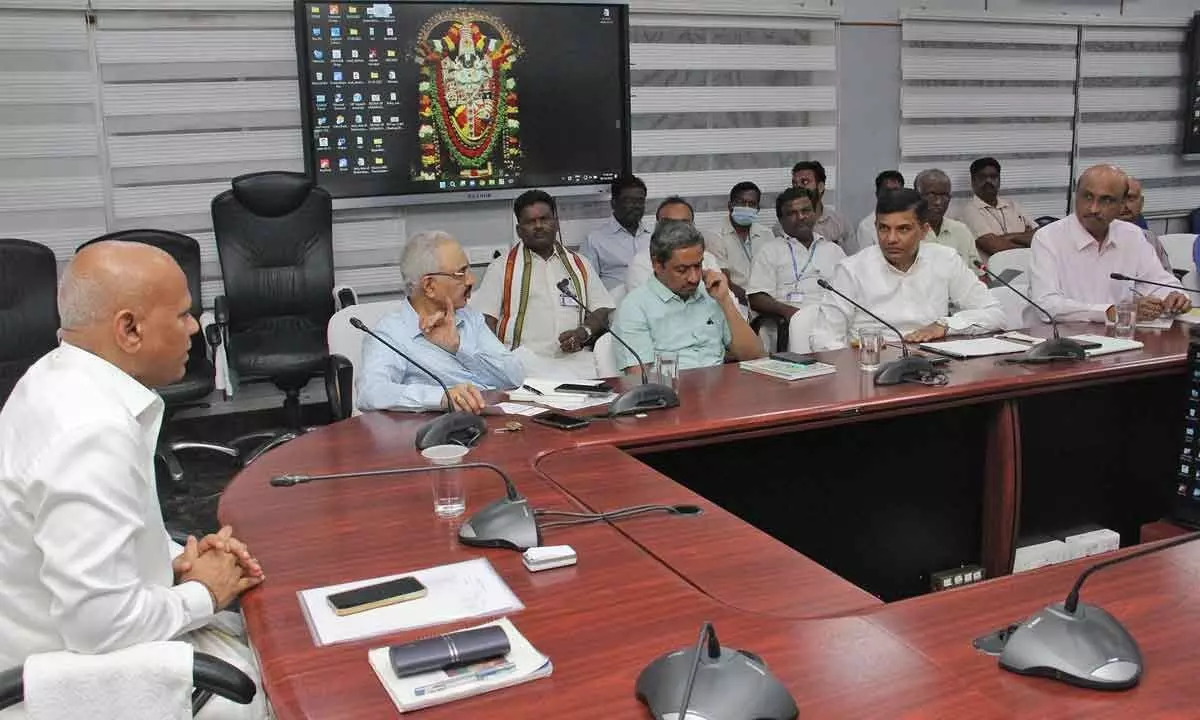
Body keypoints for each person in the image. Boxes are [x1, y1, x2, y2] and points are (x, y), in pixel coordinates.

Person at [0, 240, 269, 719]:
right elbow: (97, 626)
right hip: (69, 682)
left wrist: (178, 562)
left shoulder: (54, 375)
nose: (195, 329)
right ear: (129, 328)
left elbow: (103, 544)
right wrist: (206, 591)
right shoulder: (90, 432)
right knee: (284, 679)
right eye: (184, 315)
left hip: (58, 641)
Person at [811, 189, 1005, 350]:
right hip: (873, 363)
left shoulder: (945, 259)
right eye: (883, 228)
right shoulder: (851, 270)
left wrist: (945, 326)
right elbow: (823, 339)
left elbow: (994, 314)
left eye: (903, 229)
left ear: (924, 231)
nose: (891, 239)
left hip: (932, 361)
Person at [358, 231, 524, 413]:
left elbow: (514, 377)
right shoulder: (392, 333)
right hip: (441, 433)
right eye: (461, 273)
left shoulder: (469, 317)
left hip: (497, 420)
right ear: (429, 286)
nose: (472, 280)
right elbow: (370, 392)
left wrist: (460, 348)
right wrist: (442, 397)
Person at [471, 190, 614, 377]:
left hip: (575, 362)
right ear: (519, 230)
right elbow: (485, 321)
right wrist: (497, 362)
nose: (539, 226)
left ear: (556, 223)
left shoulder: (579, 264)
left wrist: (583, 332)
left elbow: (601, 308)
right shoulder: (501, 268)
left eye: (545, 219)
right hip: (522, 365)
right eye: (530, 222)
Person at [1030, 165, 1190, 323]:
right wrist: (1112, 312)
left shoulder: (1132, 235)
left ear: (1121, 205)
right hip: (1064, 340)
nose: (1093, 208)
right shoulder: (1048, 237)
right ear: (1075, 196)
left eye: (1106, 200)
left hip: (1122, 336)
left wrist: (1173, 296)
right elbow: (1046, 305)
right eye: (1087, 196)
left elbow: (1159, 282)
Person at [610, 220, 764, 374]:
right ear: (657, 264)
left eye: (698, 266)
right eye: (682, 270)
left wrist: (725, 301)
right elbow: (640, 381)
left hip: (720, 388)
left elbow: (754, 356)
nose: (694, 278)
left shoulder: (712, 293)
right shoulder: (635, 307)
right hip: (671, 392)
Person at [746, 187, 845, 322]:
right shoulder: (769, 251)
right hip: (789, 325)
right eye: (792, 213)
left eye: (806, 211)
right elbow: (756, 298)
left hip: (830, 322)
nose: (801, 217)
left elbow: (849, 293)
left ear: (815, 213)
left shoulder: (834, 251)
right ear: (781, 220)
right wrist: (790, 313)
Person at [623, 196, 722, 293]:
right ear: (657, 226)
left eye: (685, 224)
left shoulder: (708, 258)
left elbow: (729, 301)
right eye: (670, 224)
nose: (678, 231)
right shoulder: (640, 263)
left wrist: (724, 299)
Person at [703, 181, 776, 306]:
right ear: (730, 205)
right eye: (741, 203)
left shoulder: (767, 234)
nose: (746, 208)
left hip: (769, 299)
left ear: (758, 209)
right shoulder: (714, 236)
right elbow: (723, 282)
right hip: (735, 302)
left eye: (752, 204)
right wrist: (756, 303)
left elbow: (775, 273)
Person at [580, 175, 651, 290]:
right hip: (616, 305)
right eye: (629, 201)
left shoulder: (654, 237)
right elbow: (587, 285)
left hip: (652, 304)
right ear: (613, 203)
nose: (636, 206)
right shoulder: (594, 240)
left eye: (640, 201)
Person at [957, 157, 1036, 260]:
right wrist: (1024, 237)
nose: (988, 181)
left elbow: (1038, 236)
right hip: (992, 273)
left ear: (999, 180)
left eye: (993, 176)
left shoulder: (1013, 205)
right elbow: (995, 247)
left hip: (1024, 267)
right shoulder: (968, 211)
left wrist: (1005, 238)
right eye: (982, 177)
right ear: (973, 181)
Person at [914, 169, 981, 272]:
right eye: (932, 195)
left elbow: (979, 273)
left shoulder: (961, 230)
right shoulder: (906, 232)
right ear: (916, 197)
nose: (938, 202)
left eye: (944, 196)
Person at [791, 160, 851, 250]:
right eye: (794, 183)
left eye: (805, 182)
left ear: (820, 187)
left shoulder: (839, 223)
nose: (798, 188)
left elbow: (853, 259)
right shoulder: (784, 227)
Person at [1119, 176, 1172, 273]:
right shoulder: (1098, 240)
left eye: (1131, 198)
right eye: (1120, 199)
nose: (1125, 205)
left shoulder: (1151, 240)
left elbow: (1167, 280)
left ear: (1142, 203)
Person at [855, 170, 905, 254]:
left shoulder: (911, 219)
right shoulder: (866, 226)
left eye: (896, 191)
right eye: (887, 191)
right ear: (877, 194)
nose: (892, 195)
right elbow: (866, 260)